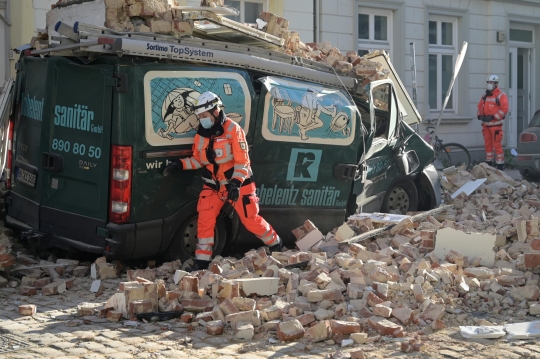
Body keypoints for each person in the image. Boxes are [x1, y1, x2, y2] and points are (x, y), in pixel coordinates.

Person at [163, 91, 282, 270]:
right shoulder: (201, 135)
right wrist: (179, 165)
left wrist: (236, 183)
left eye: (204, 115)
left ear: (216, 112)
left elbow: (243, 162)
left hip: (238, 184)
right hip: (213, 185)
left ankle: (276, 244)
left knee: (250, 219)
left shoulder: (233, 130)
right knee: (205, 219)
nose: (201, 119)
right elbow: (198, 160)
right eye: (199, 116)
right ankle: (202, 262)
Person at [477, 74, 509, 170]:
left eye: (491, 82)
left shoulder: (501, 95)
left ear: (496, 84)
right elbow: (479, 107)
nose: (489, 84)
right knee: (487, 144)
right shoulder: (485, 95)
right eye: (488, 82)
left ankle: (500, 164)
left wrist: (493, 117)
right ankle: (489, 162)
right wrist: (479, 115)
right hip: (486, 125)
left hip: (495, 125)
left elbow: (504, 109)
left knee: (497, 145)